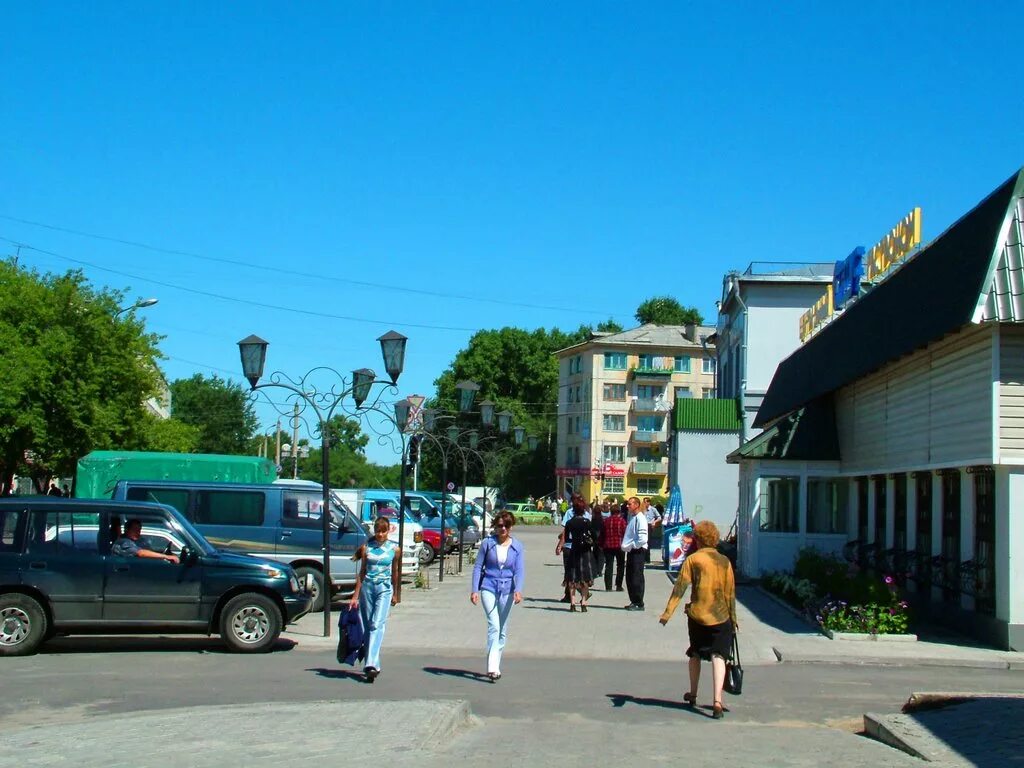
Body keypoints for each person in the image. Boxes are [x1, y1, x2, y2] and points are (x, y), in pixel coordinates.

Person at [659, 521, 738, 720]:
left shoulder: (693, 559)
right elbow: (730, 593)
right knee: (719, 656)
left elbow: (680, 587)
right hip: (721, 616)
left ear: (698, 539)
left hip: (697, 615)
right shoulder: (724, 561)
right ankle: (717, 701)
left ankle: (693, 694)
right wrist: (734, 618)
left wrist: (667, 613)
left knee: (695, 653)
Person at [470, 510, 525, 681]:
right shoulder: (488, 544)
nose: (503, 529)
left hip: (508, 589)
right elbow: (478, 566)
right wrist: (474, 590)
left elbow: (519, 570)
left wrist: (518, 589)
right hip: (489, 586)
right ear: (495, 526)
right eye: (500, 525)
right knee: (494, 624)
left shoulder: (517, 546)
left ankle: (496, 664)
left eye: (506, 526)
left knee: (502, 628)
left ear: (511, 527)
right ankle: (492, 667)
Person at [348, 517, 401, 683]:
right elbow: (362, 573)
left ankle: (369, 663)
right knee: (368, 625)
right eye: (378, 531)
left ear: (388, 531)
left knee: (377, 624)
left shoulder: (395, 549)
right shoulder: (366, 548)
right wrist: (355, 596)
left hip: (384, 588)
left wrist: (396, 593)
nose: (380, 534)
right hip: (368, 589)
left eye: (383, 531)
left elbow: (396, 572)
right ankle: (375, 664)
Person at [555, 494, 590, 602]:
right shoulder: (587, 514)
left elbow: (566, 531)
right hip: (583, 548)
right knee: (581, 571)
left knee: (569, 571)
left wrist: (560, 545)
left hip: (570, 546)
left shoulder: (570, 513)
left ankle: (572, 595)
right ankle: (580, 594)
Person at [562, 502, 593, 611]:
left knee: (572, 578)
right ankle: (584, 604)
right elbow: (594, 536)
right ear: (583, 510)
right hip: (585, 552)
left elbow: (567, 538)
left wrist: (575, 539)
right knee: (585, 577)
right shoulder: (587, 522)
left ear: (573, 510)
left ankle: (572, 604)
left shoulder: (570, 523)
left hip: (574, 550)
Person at [620, 496, 648, 611]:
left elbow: (642, 539)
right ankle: (633, 600)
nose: (628, 506)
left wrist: (632, 546)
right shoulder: (632, 517)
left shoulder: (640, 518)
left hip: (637, 551)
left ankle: (638, 602)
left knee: (636, 577)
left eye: (630, 504)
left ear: (636, 505)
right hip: (631, 551)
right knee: (630, 577)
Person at [111, 519, 180, 563]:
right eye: (135, 530)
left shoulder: (138, 540)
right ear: (127, 530)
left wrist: (163, 553)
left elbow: (149, 551)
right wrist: (166, 556)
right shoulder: (123, 542)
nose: (138, 533)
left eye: (139, 530)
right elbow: (141, 553)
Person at [600, 501, 627, 591]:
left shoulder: (606, 521)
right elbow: (625, 533)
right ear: (619, 512)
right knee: (620, 565)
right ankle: (618, 585)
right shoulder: (622, 521)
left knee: (608, 566)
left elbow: (602, 534)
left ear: (611, 512)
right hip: (619, 545)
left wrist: (600, 544)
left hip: (608, 545)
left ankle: (608, 586)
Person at [589, 503, 605, 588]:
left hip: (595, 539)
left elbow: (591, 529)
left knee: (595, 555)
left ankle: (595, 570)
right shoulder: (602, 520)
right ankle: (599, 571)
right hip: (601, 539)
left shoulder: (593, 519)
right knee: (601, 556)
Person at [644, 498, 662, 564]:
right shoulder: (643, 509)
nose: (644, 503)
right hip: (643, 525)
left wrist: (654, 522)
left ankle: (647, 559)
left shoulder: (653, 509)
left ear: (649, 502)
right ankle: (643, 558)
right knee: (643, 541)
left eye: (645, 502)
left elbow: (659, 517)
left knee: (648, 542)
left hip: (649, 525)